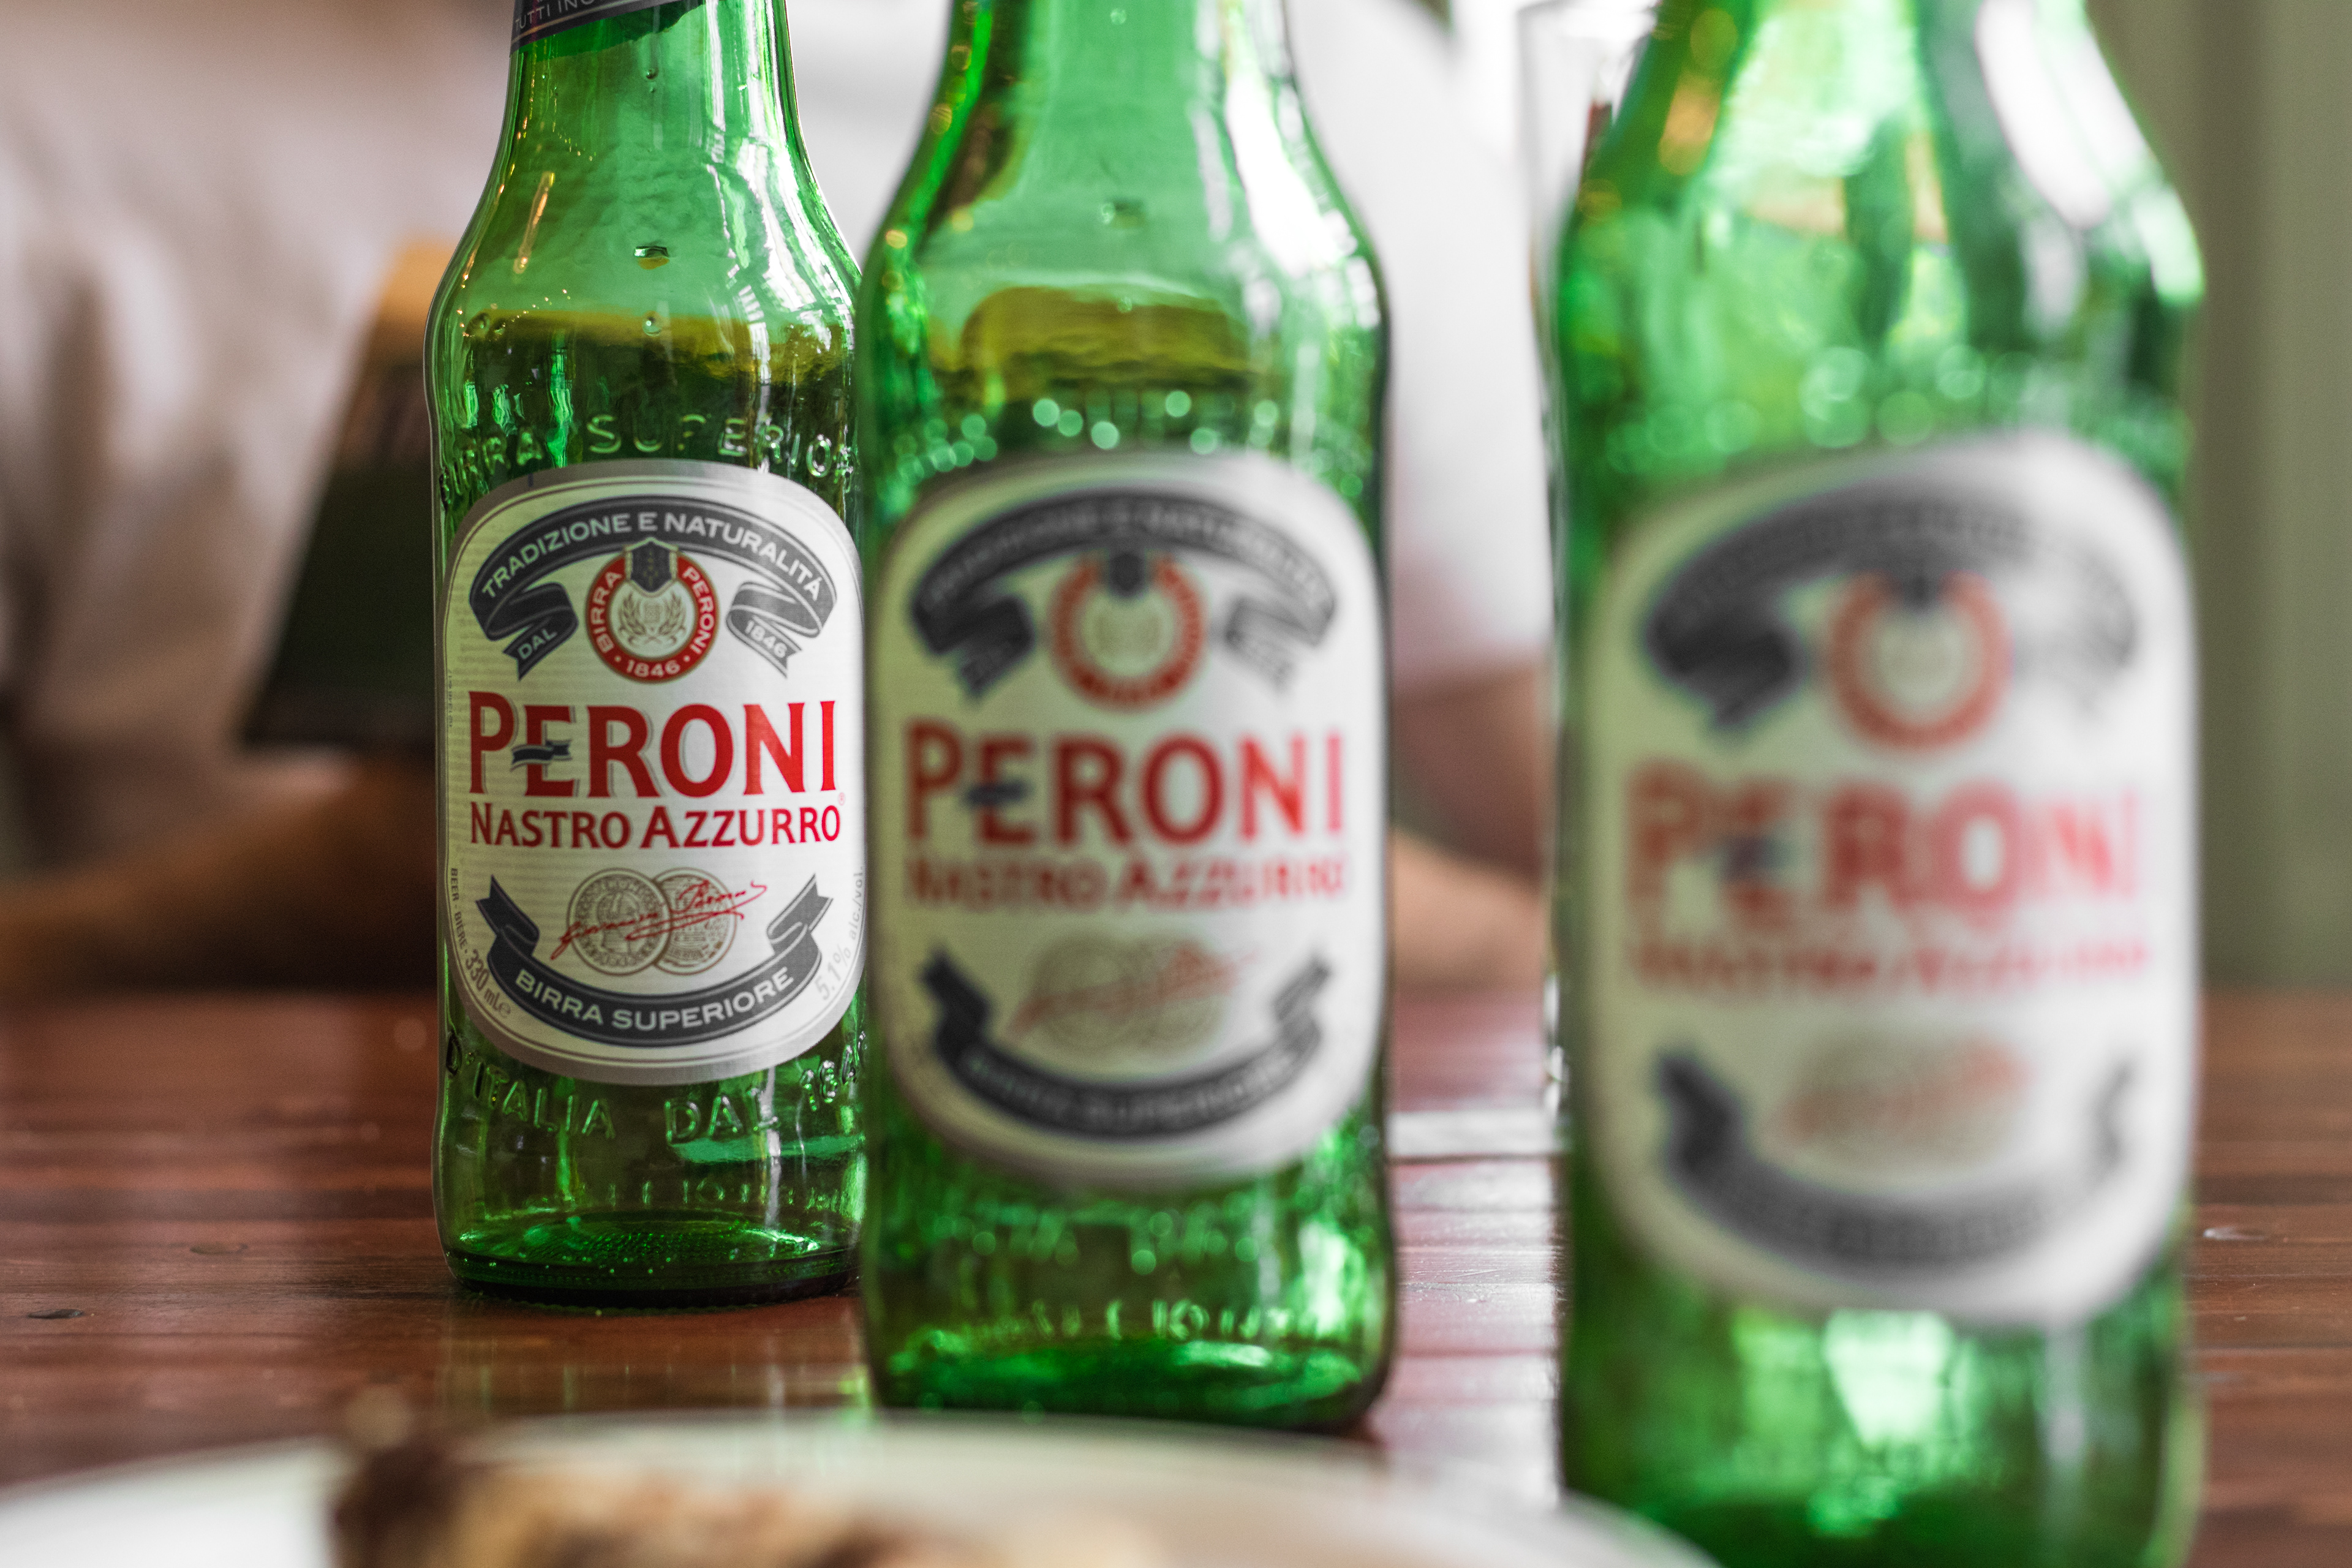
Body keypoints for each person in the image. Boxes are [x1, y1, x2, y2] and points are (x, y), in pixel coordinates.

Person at [0, 0, 1552, 994]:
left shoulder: (1275, 84)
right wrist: (285, 899)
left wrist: (1082, 825)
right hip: (261, 1254)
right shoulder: (46, 98)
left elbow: (1584, 909)